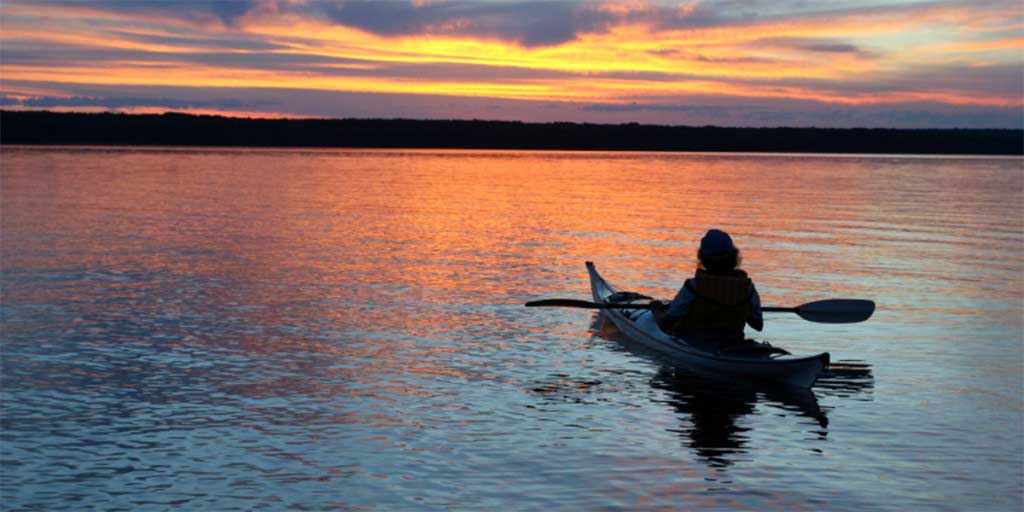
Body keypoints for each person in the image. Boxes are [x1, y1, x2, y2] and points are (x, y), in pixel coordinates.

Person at [650, 229, 764, 352]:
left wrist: (656, 310)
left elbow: (665, 324)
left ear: (702, 258)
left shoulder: (693, 286)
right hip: (733, 345)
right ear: (734, 257)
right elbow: (757, 325)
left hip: (694, 347)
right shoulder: (747, 287)